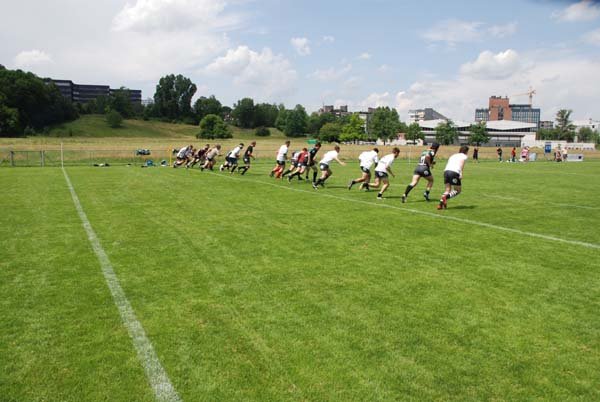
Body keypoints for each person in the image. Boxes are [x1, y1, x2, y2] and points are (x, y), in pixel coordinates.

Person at [437, 145, 469, 210]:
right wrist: (461, 173)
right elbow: (461, 163)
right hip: (454, 172)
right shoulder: (464, 156)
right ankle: (445, 197)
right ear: (466, 151)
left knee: (447, 190)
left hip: (446, 171)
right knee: (458, 190)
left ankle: (440, 205)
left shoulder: (453, 155)